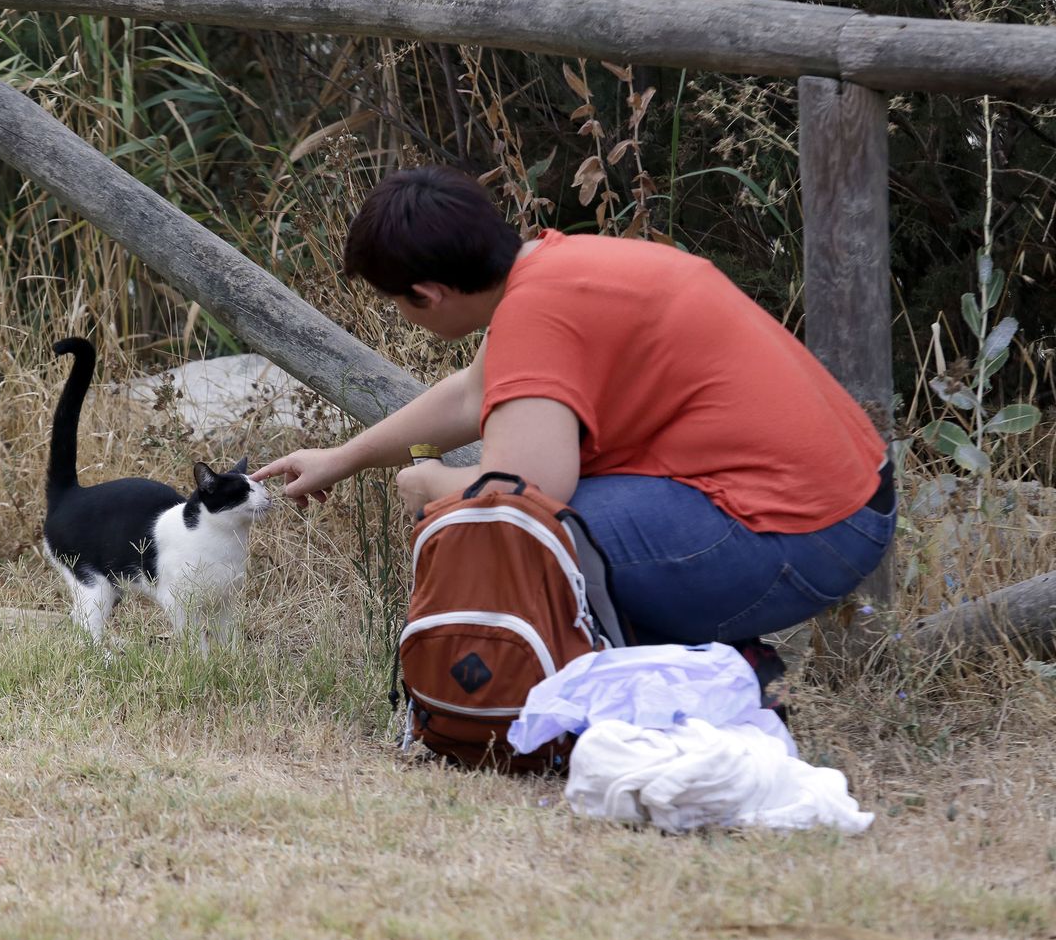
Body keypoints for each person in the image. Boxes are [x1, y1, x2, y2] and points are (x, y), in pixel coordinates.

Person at [252, 166, 896, 678]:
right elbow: (470, 395)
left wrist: (425, 488)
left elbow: (525, 492)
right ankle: (693, 671)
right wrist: (346, 456)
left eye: (399, 305)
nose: (404, 317)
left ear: (428, 294)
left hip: (802, 535)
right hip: (837, 505)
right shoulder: (553, 267)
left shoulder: (536, 313)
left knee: (509, 530)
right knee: (531, 516)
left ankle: (687, 680)